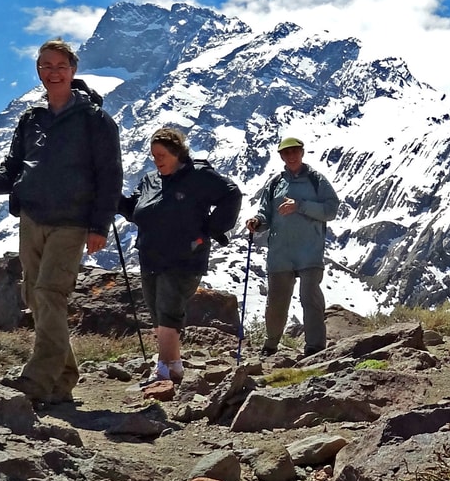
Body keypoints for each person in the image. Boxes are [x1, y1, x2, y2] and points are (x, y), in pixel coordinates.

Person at [0, 39, 122, 406]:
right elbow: (12, 171)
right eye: (45, 66)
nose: (53, 72)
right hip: (32, 218)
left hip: (72, 220)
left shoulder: (95, 120)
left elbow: (110, 175)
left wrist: (99, 226)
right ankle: (62, 378)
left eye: (60, 66)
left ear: (73, 70)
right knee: (35, 295)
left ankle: (36, 380)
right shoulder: (31, 119)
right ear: (38, 71)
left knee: (49, 292)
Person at [118, 127, 242, 385]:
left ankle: (162, 372)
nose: (157, 160)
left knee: (168, 310)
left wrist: (211, 229)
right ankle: (174, 367)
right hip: (151, 255)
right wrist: (111, 198)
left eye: (162, 155)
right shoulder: (150, 180)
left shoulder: (198, 175)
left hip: (184, 256)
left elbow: (231, 194)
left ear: (177, 153)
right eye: (154, 156)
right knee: (157, 313)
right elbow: (134, 210)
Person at [245, 137, 340, 357]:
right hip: (281, 253)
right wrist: (257, 222)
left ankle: (315, 348)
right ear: (281, 156)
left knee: (310, 298)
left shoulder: (316, 179)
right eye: (286, 153)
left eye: (295, 151)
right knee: (276, 302)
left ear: (302, 152)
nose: (291, 156)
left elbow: (331, 209)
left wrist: (300, 206)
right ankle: (270, 345)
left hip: (310, 251)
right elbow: (265, 214)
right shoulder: (275, 183)